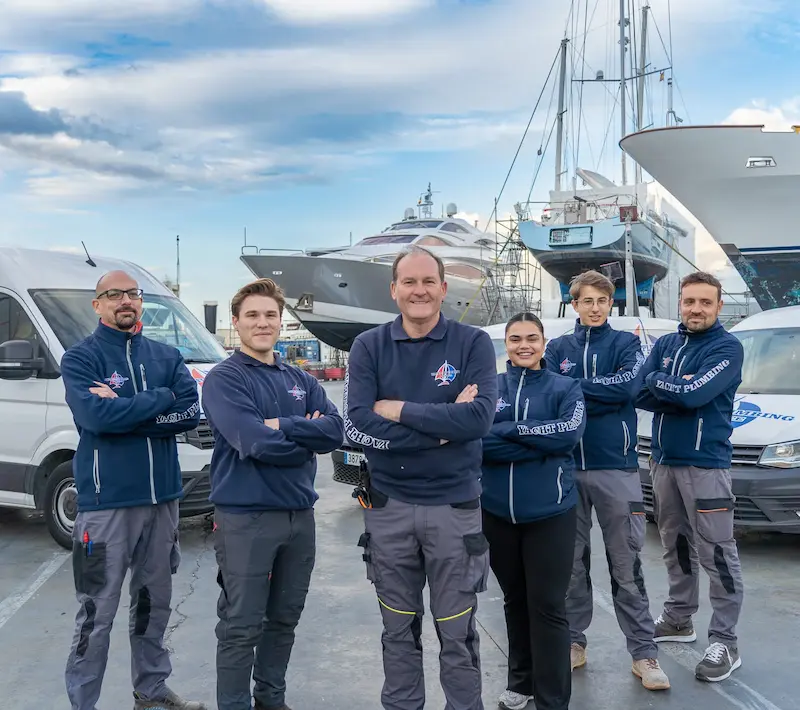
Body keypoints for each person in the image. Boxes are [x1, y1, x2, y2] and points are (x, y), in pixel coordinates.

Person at [345, 245, 498, 710]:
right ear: (394, 290)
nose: (419, 291)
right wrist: (441, 426)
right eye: (409, 282)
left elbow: (478, 421)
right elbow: (356, 426)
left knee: (457, 630)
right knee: (397, 627)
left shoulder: (472, 344)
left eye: (428, 281)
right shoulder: (368, 346)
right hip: (389, 509)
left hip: (455, 510)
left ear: (443, 289)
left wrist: (399, 411)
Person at [60, 271, 206, 710]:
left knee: (152, 605)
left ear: (141, 302)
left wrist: (128, 411)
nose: (126, 301)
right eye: (114, 295)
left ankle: (152, 692)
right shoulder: (80, 359)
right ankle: (83, 702)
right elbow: (97, 419)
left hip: (162, 502)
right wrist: (159, 401)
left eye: (132, 294)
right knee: (95, 614)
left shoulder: (166, 356)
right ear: (98, 305)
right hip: (106, 507)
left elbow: (189, 412)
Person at [201, 278, 344, 710]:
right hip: (246, 519)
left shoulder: (299, 378)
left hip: (299, 517)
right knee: (241, 624)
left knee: (284, 619)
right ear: (236, 323)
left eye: (269, 315)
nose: (262, 323)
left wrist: (283, 425)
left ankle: (271, 700)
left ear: (280, 322)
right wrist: (305, 434)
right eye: (252, 316)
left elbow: (335, 431)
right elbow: (253, 442)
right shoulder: (224, 380)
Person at [544, 271, 669, 690]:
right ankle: (573, 642)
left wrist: (573, 389)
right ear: (573, 304)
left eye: (602, 300)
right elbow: (549, 395)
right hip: (566, 472)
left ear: (609, 304)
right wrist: (584, 391)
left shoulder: (627, 344)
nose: (595, 308)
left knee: (626, 563)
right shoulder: (556, 348)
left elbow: (627, 386)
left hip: (617, 469)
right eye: (587, 301)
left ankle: (644, 653)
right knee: (570, 565)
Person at [636, 271, 745, 682]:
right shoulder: (666, 344)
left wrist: (665, 386)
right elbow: (638, 392)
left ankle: (725, 641)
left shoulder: (727, 348)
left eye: (705, 302)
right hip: (663, 461)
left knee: (716, 552)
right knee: (675, 545)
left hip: (706, 465)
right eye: (689, 302)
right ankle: (680, 619)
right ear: (679, 304)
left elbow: (694, 394)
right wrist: (671, 386)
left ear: (718, 307)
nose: (696, 308)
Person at [480, 312, 585, 710]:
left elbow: (568, 434)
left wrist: (508, 430)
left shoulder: (565, 386)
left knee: (547, 606)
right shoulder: (489, 388)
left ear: (544, 343)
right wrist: (535, 437)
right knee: (514, 601)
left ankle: (552, 698)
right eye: (515, 339)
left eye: (531, 338)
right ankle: (520, 683)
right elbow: (476, 441)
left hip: (550, 516)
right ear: (505, 344)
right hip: (498, 516)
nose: (523, 345)